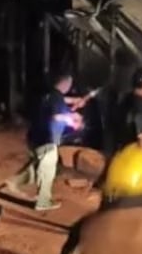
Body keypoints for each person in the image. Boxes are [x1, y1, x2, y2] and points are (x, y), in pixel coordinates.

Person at [7, 71, 91, 211]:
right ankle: (43, 202)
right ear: (65, 84)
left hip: (36, 137)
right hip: (47, 139)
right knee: (47, 171)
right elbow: (57, 117)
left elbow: (60, 103)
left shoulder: (49, 94)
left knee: (38, 167)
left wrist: (74, 102)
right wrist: (73, 120)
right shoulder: (56, 97)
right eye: (69, 84)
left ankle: (14, 182)